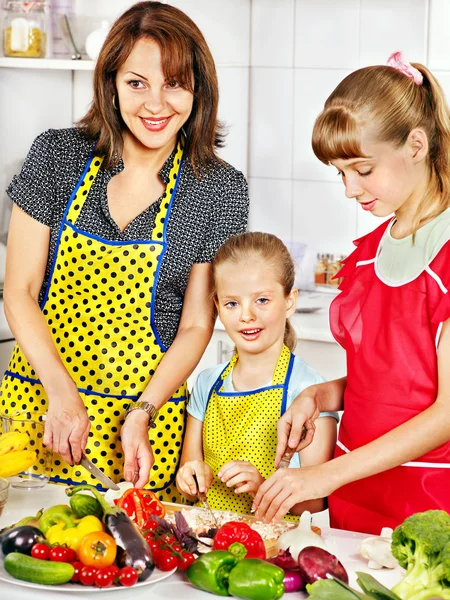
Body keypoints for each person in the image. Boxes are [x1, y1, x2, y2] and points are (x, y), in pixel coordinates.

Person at [1, 1, 249, 502]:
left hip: (141, 427)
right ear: (111, 84)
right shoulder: (57, 154)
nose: (156, 104)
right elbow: (20, 289)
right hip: (38, 405)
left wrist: (144, 410)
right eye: (137, 83)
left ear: (198, 89)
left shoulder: (219, 189)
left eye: (174, 84)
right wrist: (60, 391)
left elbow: (196, 326)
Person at [253, 52, 450, 534]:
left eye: (362, 169)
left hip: (424, 502)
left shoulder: (444, 259)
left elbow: (445, 414)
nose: (349, 189)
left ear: (417, 145)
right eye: (340, 173)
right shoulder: (371, 251)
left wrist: (319, 477)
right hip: (354, 492)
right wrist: (319, 396)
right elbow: (390, 381)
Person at [175, 232, 338, 516]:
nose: (246, 315)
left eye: (261, 300)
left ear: (289, 301)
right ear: (217, 308)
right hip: (210, 538)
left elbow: (316, 502)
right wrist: (190, 476)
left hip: (274, 547)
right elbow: (188, 467)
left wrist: (261, 487)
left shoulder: (310, 392)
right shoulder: (206, 383)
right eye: (232, 303)